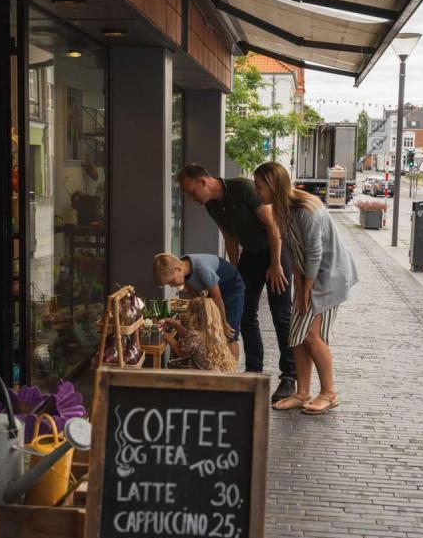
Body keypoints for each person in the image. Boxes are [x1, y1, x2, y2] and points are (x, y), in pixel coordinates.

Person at [178, 164, 295, 403]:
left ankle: (289, 377)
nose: (191, 199)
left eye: (191, 192)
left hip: (275, 252)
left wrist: (275, 264)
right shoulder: (212, 206)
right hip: (250, 256)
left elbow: (273, 226)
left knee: (281, 315)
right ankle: (254, 370)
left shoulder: (242, 189)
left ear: (203, 182)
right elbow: (229, 237)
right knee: (245, 313)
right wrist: (235, 270)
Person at [253, 162, 358, 415]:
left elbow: (314, 253)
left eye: (259, 186)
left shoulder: (305, 209)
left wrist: (307, 291)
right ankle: (302, 393)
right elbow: (291, 250)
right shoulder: (279, 210)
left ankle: (329, 393)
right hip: (311, 277)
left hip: (330, 277)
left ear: (272, 184)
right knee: (296, 335)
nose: (257, 192)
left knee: (312, 336)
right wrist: (298, 288)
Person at [153, 252, 245, 359]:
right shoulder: (184, 269)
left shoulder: (202, 269)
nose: (172, 286)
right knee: (209, 329)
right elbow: (197, 299)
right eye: (169, 284)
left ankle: (231, 372)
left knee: (229, 335)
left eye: (171, 281)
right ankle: (216, 364)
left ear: (177, 269)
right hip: (214, 291)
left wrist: (223, 322)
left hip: (232, 289)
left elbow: (218, 299)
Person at [161, 294, 237, 373]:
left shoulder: (195, 337)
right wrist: (174, 324)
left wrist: (166, 336)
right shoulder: (215, 333)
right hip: (220, 378)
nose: (187, 314)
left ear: (195, 316)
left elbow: (181, 352)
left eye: (189, 312)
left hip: (205, 381)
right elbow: (189, 336)